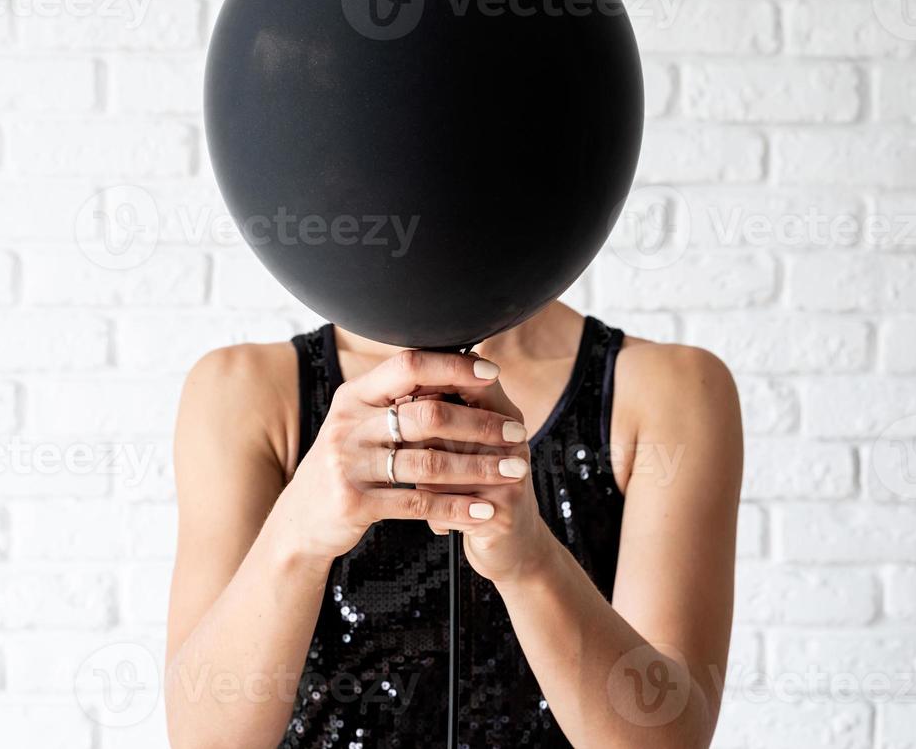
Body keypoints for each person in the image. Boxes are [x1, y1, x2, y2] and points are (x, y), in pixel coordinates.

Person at [165, 299, 742, 748]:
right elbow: (203, 738)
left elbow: (669, 737)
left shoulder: (670, 389)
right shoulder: (243, 389)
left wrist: (530, 563)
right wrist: (296, 538)